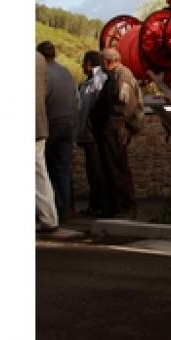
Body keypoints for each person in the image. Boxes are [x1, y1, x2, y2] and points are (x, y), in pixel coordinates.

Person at [90, 46, 140, 219]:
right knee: (111, 168)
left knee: (117, 168)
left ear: (106, 62)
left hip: (116, 131)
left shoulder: (122, 77)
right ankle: (114, 206)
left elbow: (122, 107)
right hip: (112, 129)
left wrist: (110, 129)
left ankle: (126, 207)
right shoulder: (115, 77)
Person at [37, 41, 80, 221]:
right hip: (69, 124)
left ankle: (49, 211)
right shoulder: (66, 72)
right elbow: (77, 99)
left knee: (44, 170)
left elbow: (41, 100)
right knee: (63, 168)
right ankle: (66, 208)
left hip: (50, 124)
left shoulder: (44, 74)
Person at [75, 50, 107, 216]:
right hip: (88, 134)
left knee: (96, 171)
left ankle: (99, 205)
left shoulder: (98, 81)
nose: (81, 66)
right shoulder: (88, 82)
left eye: (83, 62)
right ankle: (94, 204)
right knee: (92, 171)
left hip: (94, 134)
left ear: (88, 63)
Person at [36, 50, 61, 234]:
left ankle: (48, 217)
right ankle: (49, 217)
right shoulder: (39, 59)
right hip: (40, 123)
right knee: (40, 173)